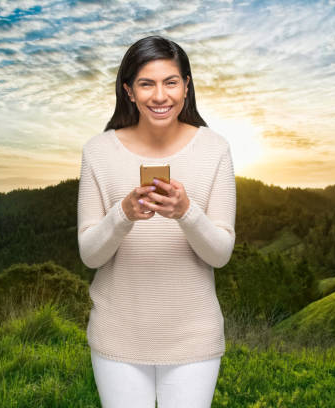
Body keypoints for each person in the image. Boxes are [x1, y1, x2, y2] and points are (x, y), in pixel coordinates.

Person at [77, 35, 236, 408]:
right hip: (117, 334)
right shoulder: (98, 151)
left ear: (186, 87)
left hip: (194, 338)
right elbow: (89, 255)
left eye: (171, 82)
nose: (160, 96)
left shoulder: (215, 149)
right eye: (146, 83)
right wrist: (123, 214)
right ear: (129, 91)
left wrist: (186, 212)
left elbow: (220, 254)